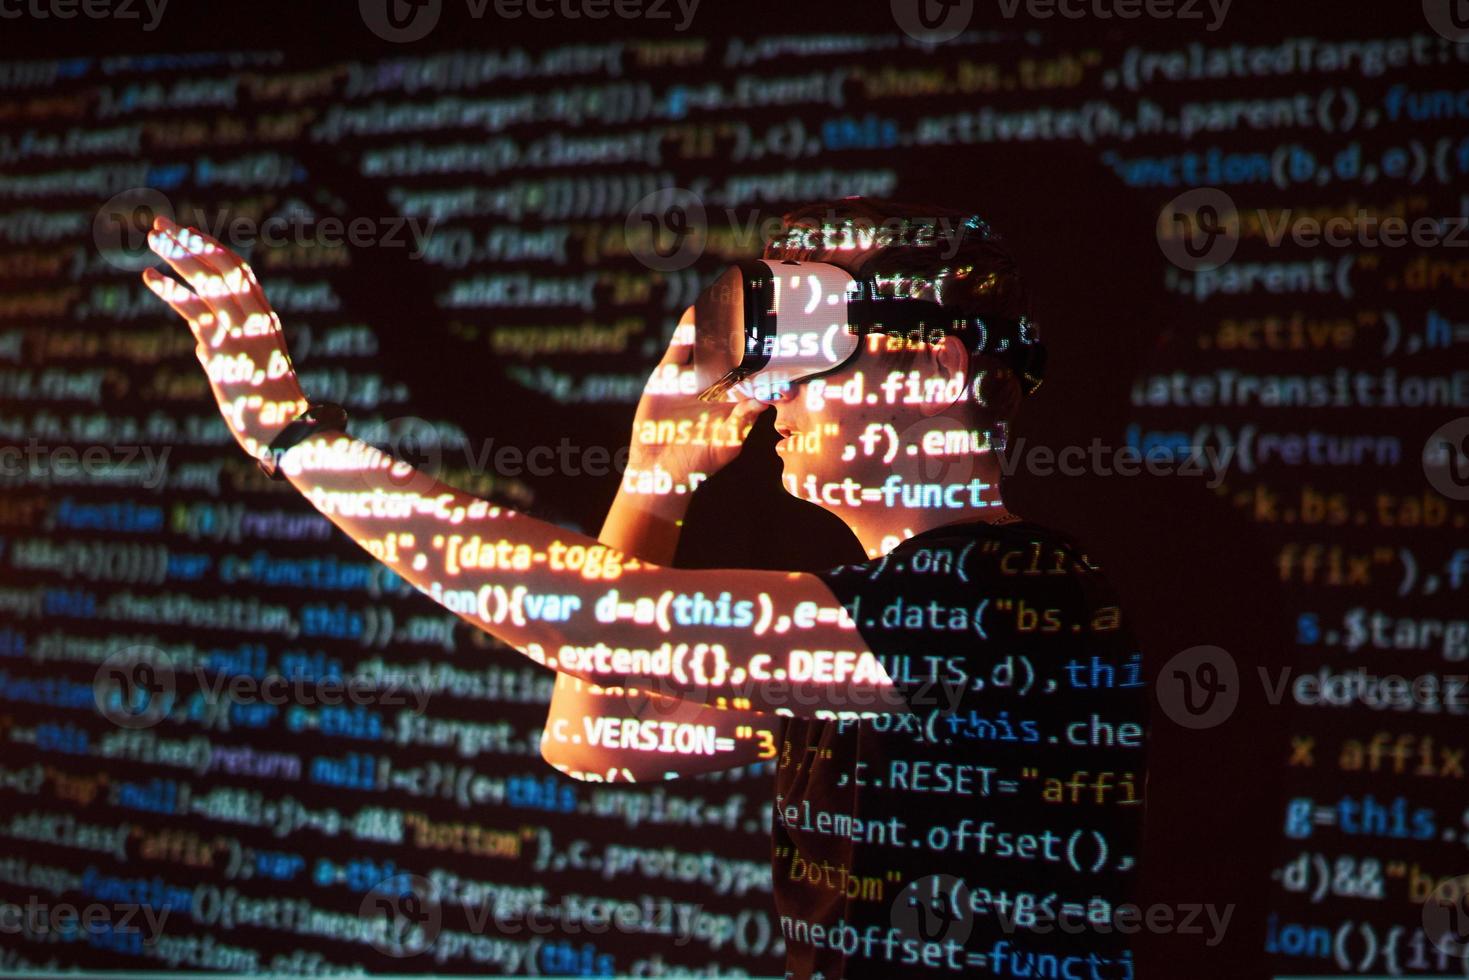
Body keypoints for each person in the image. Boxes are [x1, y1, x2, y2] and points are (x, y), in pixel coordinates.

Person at [143, 198, 1147, 978]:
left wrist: (294, 436)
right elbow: (594, 730)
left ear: (933, 367)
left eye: (816, 355)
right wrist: (652, 481)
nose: (776, 394)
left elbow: (594, 622)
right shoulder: (875, 619)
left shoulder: (1014, 591)